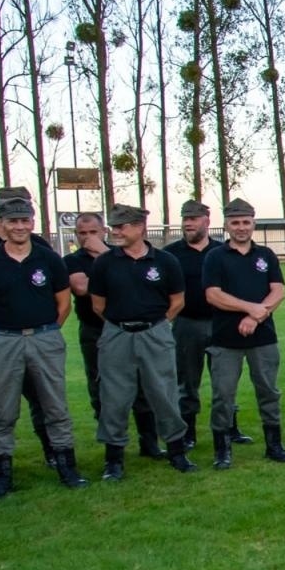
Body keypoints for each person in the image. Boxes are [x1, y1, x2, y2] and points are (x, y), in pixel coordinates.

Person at [0, 196, 88, 495]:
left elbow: (63, 303)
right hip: (3, 341)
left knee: (55, 406)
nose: (20, 226)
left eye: (25, 220)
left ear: (32, 223)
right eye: (13, 221)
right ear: (2, 224)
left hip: (45, 338)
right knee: (2, 410)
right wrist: (1, 335)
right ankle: (2, 477)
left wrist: (46, 332)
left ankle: (67, 468)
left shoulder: (48, 258)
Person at [89, 204, 196, 478]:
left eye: (122, 227)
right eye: (114, 227)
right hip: (117, 334)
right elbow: (98, 304)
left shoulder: (165, 261)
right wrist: (121, 325)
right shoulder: (104, 263)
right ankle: (113, 460)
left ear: (140, 227)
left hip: (155, 333)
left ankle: (176, 451)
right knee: (114, 396)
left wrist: (157, 327)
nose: (116, 232)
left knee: (164, 393)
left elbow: (177, 301)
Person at [202, 198, 285, 469]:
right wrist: (251, 309)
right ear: (226, 225)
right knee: (223, 395)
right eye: (235, 222)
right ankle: (222, 449)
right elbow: (213, 295)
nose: (241, 227)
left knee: (269, 391)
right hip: (225, 339)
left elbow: (278, 291)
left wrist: (257, 316)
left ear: (253, 223)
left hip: (263, 337)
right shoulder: (215, 256)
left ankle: (274, 445)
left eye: (246, 222)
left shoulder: (265, 255)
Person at [0, 186, 58, 473]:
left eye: (23, 209)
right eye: (9, 209)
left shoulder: (40, 247)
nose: (18, 220)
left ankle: (53, 452)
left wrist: (47, 331)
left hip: (38, 337)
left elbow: (59, 298)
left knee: (42, 397)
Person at [64, 212, 162, 455]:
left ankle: (149, 443)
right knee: (102, 388)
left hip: (132, 330)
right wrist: (104, 259)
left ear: (104, 232)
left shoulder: (121, 254)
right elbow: (82, 287)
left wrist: (104, 254)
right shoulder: (73, 260)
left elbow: (135, 283)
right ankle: (113, 447)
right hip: (95, 331)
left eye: (93, 232)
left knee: (142, 384)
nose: (87, 238)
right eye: (82, 233)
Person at [164, 199, 251, 451]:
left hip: (221, 323)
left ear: (206, 221)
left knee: (225, 381)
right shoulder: (171, 254)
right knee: (187, 381)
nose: (188, 223)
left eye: (193, 218)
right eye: (185, 218)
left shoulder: (222, 252)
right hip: (186, 324)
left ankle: (230, 427)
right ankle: (188, 431)